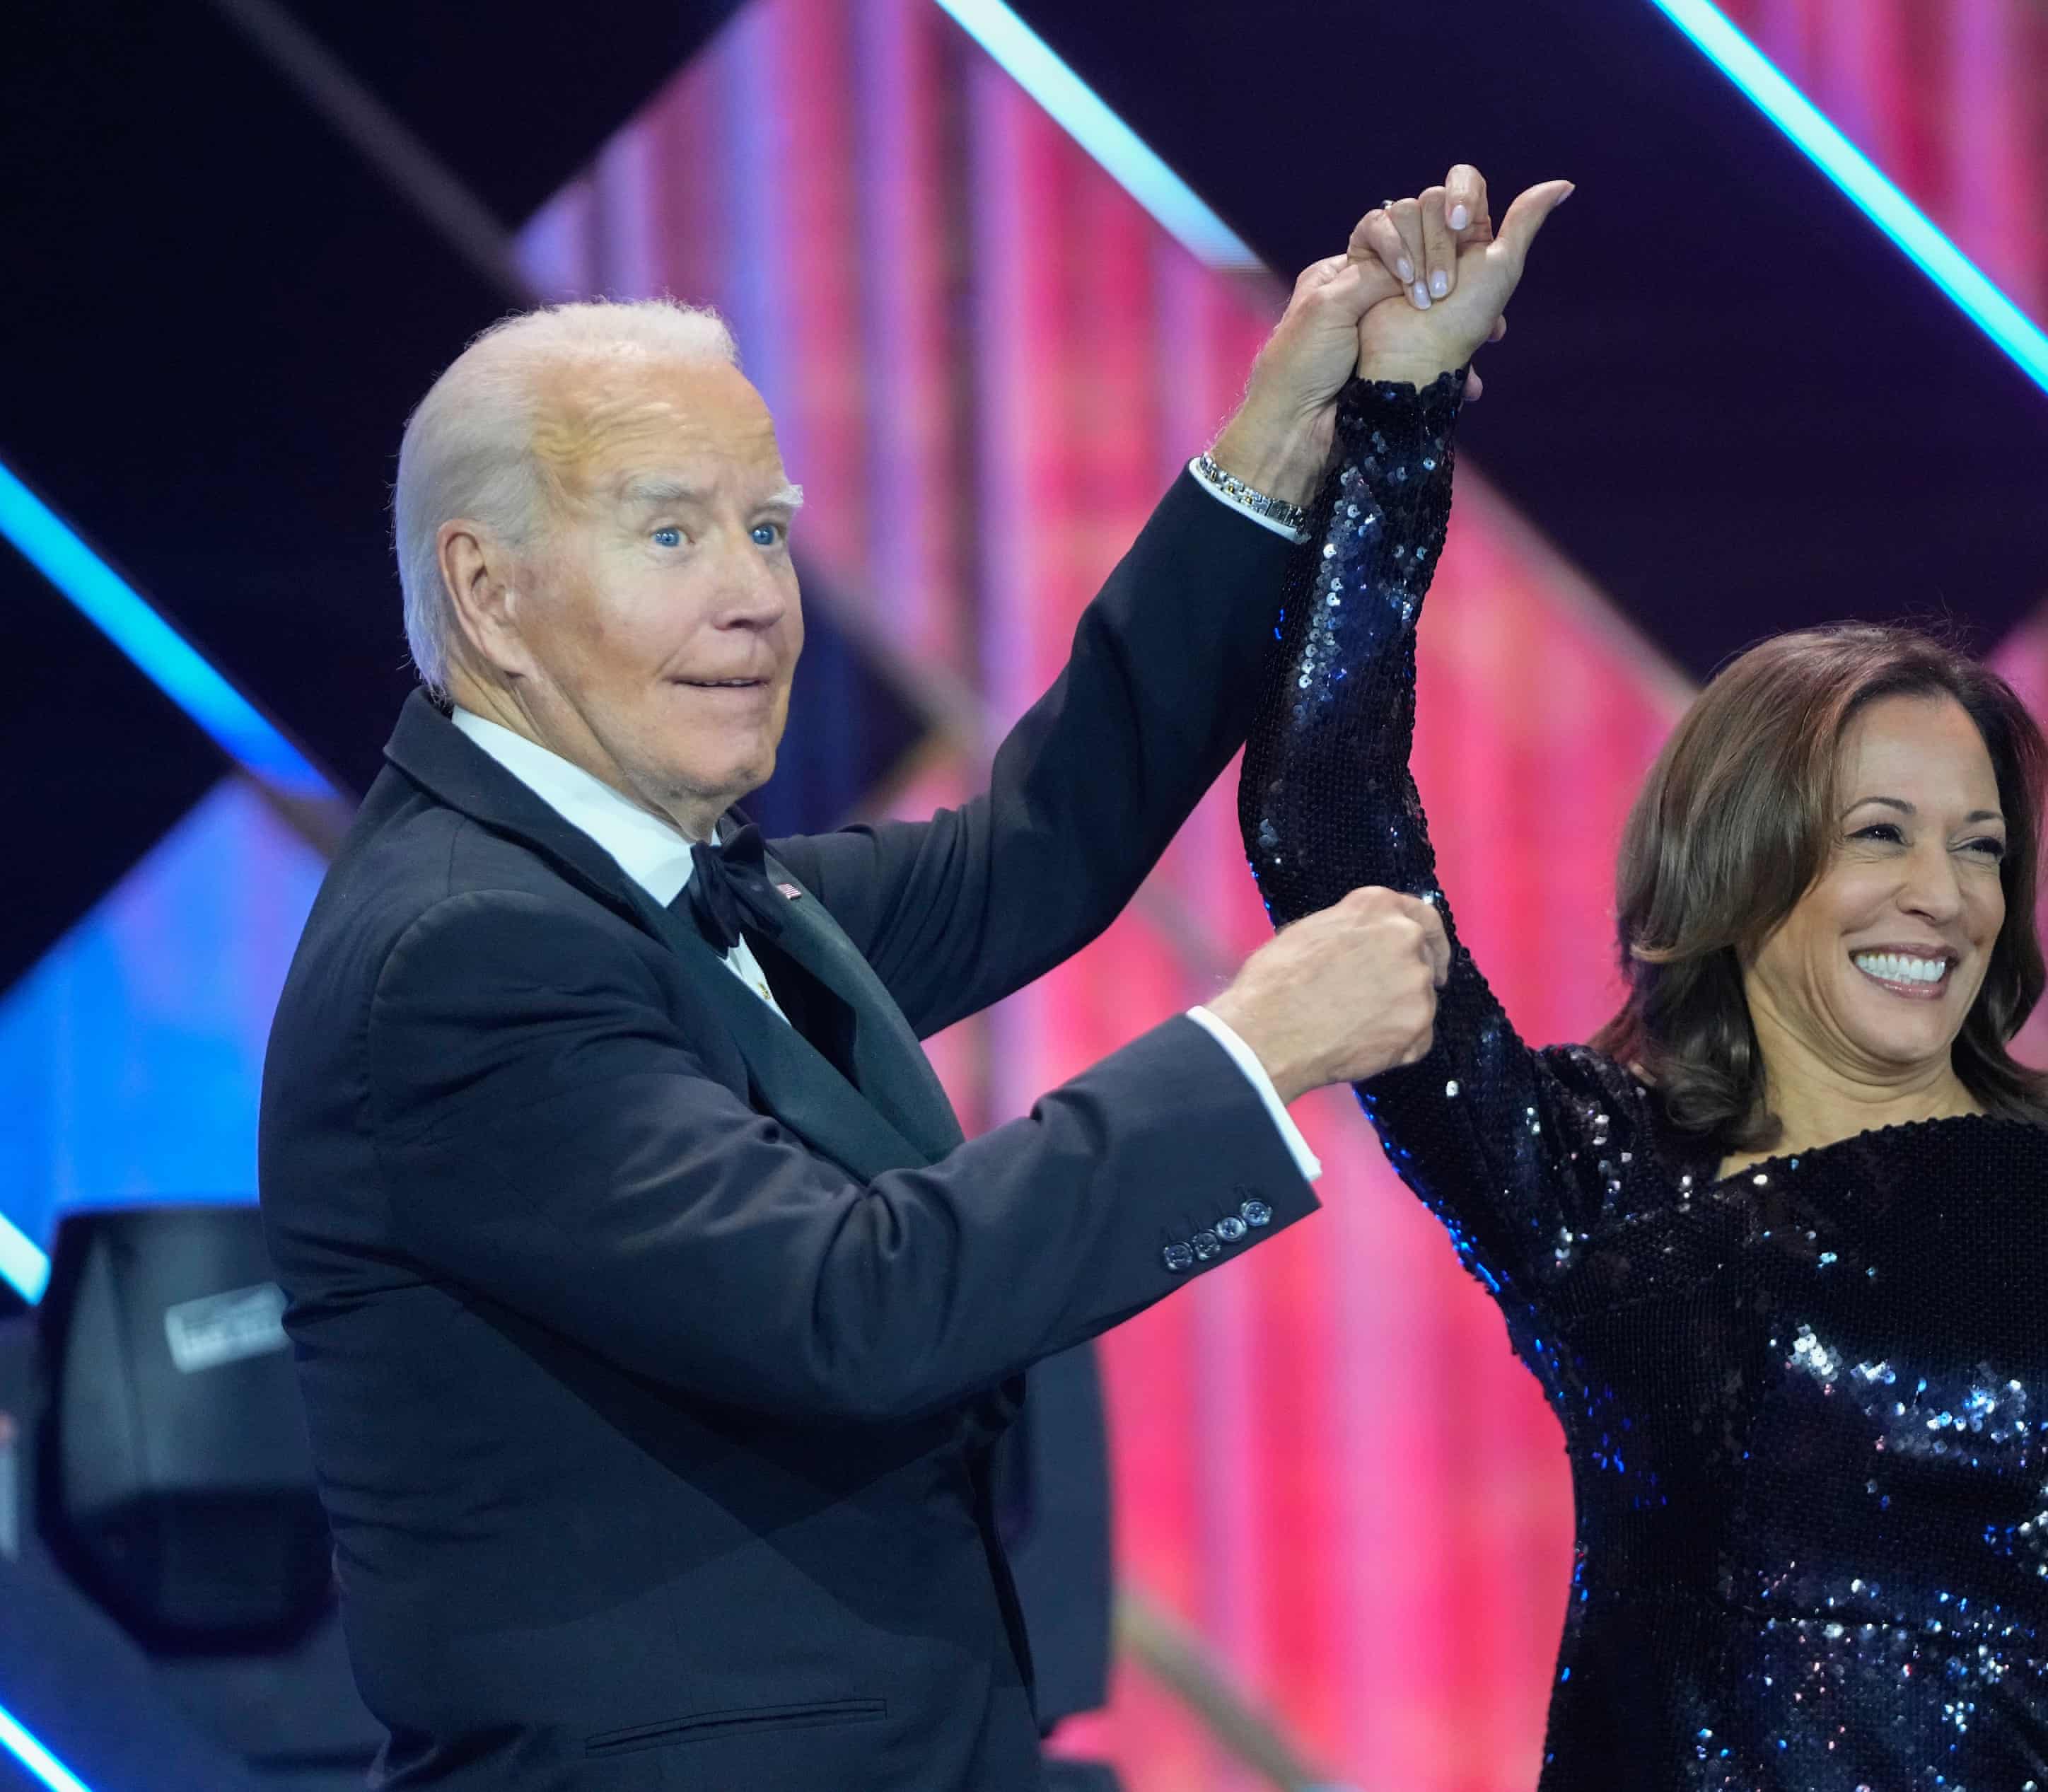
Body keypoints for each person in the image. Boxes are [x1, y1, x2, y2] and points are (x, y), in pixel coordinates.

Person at [257, 179, 1493, 1791]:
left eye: (764, 527)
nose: (756, 596)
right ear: (487, 594)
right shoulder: (464, 956)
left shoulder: (654, 882)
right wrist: (1249, 1051)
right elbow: (854, 1305)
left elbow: (1034, 851)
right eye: (670, 531)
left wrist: (1280, 436)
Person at [1240, 174, 2048, 1789]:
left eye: (1981, 848)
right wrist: (1403, 422)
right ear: (1739, 867)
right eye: (1880, 835)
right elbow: (1325, 828)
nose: (1943, 894)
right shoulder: (1593, 1179)